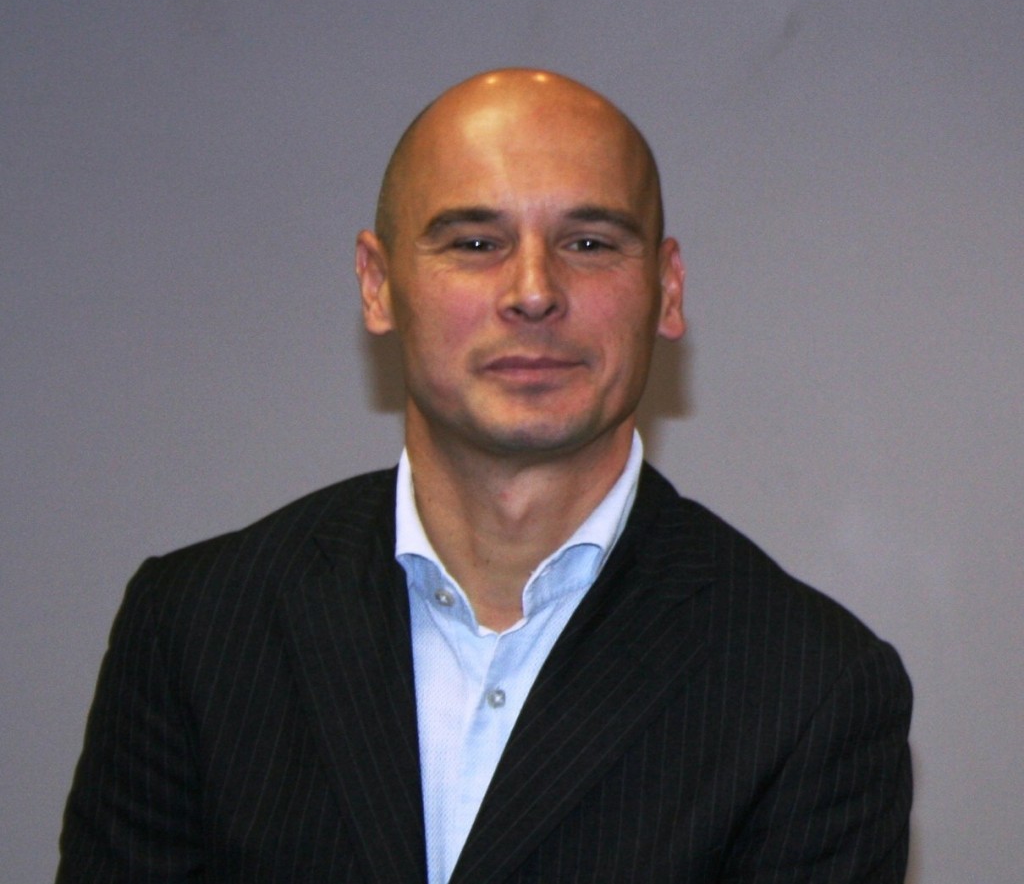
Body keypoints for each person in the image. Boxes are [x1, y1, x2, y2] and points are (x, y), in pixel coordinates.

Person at [58, 69, 912, 883]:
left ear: (667, 288)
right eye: (475, 242)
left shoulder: (812, 688)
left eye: (589, 242)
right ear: (377, 284)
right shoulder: (197, 628)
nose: (534, 292)